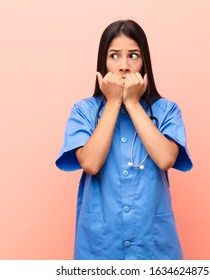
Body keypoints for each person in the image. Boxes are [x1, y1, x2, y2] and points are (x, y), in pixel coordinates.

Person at [55, 19, 193, 260]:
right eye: (115, 56)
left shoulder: (167, 110)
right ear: (103, 63)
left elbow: (165, 159)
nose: (124, 66)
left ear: (144, 62)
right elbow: (91, 163)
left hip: (153, 245)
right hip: (100, 245)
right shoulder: (84, 111)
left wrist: (131, 102)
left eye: (133, 55)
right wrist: (113, 102)